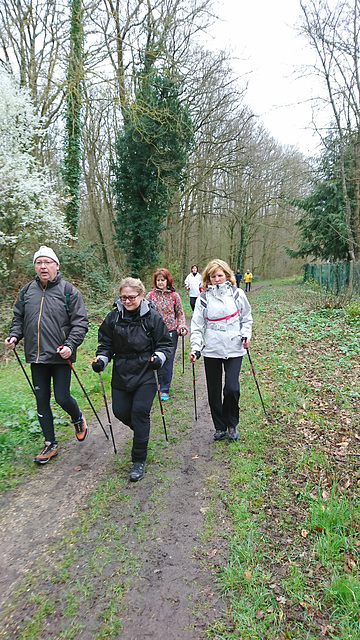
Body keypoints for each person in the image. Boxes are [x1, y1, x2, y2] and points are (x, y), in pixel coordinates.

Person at [4, 246, 89, 464]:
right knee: (41, 400)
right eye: (39, 262)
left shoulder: (69, 291)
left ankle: (78, 417)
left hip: (61, 356)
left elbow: (80, 323)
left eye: (47, 262)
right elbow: (18, 318)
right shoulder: (26, 292)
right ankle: (50, 443)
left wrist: (70, 345)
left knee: (61, 397)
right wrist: (14, 336)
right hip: (35, 356)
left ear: (56, 266)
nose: (43, 267)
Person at [92, 277, 173, 482]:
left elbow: (165, 344)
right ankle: (141, 433)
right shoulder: (113, 318)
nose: (127, 301)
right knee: (120, 411)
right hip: (121, 370)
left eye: (131, 297)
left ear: (141, 295)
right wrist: (101, 360)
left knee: (139, 412)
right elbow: (105, 344)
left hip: (146, 369)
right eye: (123, 297)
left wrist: (159, 358)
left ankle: (138, 460)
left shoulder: (152, 318)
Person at [189, 259, 253, 442]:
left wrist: (246, 335)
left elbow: (246, 318)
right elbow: (197, 325)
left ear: (227, 275)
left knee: (232, 388)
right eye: (213, 276)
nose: (217, 279)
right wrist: (195, 347)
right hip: (212, 348)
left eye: (220, 275)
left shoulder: (237, 294)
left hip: (234, 347)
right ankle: (219, 426)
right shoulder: (203, 298)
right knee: (214, 389)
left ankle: (232, 423)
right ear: (208, 278)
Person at [146, 268, 188, 401]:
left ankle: (164, 389)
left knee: (168, 361)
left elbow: (180, 314)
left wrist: (181, 326)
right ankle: (153, 386)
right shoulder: (150, 296)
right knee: (154, 359)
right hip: (153, 333)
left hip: (171, 332)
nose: (160, 283)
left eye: (162, 280)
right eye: (158, 280)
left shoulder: (174, 296)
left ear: (167, 280)